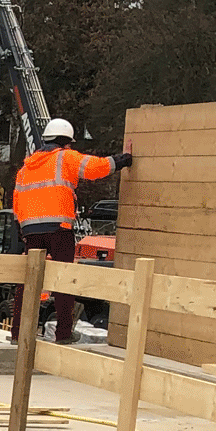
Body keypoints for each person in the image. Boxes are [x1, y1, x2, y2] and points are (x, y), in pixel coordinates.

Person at [11, 119, 132, 343]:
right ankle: (63, 334)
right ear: (66, 142)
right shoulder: (65, 157)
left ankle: (17, 334)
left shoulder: (26, 168)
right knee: (62, 281)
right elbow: (95, 167)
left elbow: (16, 203)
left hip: (31, 230)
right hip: (59, 228)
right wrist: (122, 160)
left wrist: (23, 229)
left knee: (27, 280)